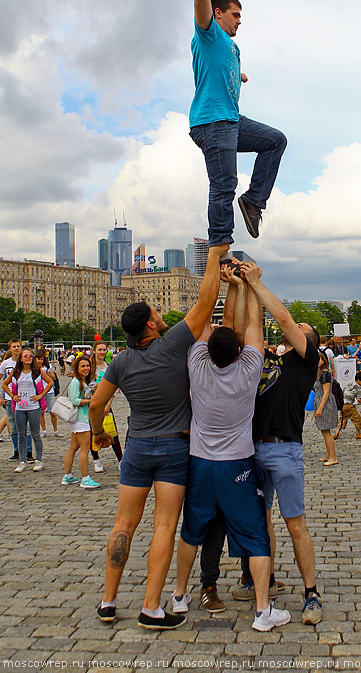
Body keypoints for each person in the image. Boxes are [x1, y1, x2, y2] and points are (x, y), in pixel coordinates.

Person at [89, 242, 229, 631]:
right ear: (150, 325)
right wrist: (216, 253)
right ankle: (151, 607)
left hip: (136, 448)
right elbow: (205, 302)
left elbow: (96, 405)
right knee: (164, 525)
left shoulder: (120, 361)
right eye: (155, 312)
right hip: (173, 446)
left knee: (123, 525)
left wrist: (99, 434)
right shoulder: (172, 345)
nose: (160, 313)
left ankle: (108, 601)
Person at [173, 263, 291, 632]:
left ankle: (179, 596)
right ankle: (261, 611)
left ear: (207, 348)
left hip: (200, 462)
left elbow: (205, 319)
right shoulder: (248, 369)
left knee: (191, 532)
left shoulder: (196, 363)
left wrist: (224, 287)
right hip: (237, 464)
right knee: (256, 537)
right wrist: (250, 285)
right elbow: (253, 327)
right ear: (239, 350)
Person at [181, 0, 287, 245]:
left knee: (275, 141)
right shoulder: (208, 32)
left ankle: (254, 201)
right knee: (224, 184)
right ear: (218, 14)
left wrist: (238, 74)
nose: (239, 21)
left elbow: (217, 69)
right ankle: (220, 245)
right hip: (212, 122)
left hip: (231, 120)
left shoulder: (231, 48)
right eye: (235, 15)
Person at [231, 263, 323, 624]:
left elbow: (283, 319)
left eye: (304, 329)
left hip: (285, 448)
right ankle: (264, 580)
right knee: (261, 521)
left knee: (294, 523)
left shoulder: (306, 360)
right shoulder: (268, 357)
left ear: (309, 341)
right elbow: (243, 330)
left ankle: (311, 593)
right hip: (253, 447)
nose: (295, 327)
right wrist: (242, 287)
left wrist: (257, 282)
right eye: (298, 326)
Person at [2, 347, 52, 472]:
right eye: (26, 356)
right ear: (21, 359)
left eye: (30, 356)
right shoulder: (16, 372)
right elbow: (4, 384)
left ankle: (39, 460)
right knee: (21, 435)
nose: (28, 358)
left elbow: (50, 382)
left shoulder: (38, 371)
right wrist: (12, 395)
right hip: (20, 407)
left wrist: (41, 395)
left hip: (33, 407)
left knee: (35, 434)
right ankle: (22, 460)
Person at [62, 355, 99, 489]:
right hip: (80, 419)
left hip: (80, 419)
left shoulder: (83, 381)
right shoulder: (76, 382)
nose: (86, 368)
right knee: (85, 448)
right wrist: (91, 401)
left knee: (74, 447)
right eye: (82, 366)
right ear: (77, 368)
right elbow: (75, 401)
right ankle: (85, 478)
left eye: (87, 366)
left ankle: (68, 475)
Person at [89, 341, 122, 473]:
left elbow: (112, 389)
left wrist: (107, 406)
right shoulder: (90, 368)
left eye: (104, 350)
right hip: (91, 404)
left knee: (112, 432)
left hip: (106, 404)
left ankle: (120, 459)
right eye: (100, 350)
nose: (102, 352)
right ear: (94, 351)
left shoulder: (109, 367)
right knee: (93, 432)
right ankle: (96, 459)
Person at [0, 340, 32, 461]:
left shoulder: (26, 361)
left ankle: (28, 451)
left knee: (26, 426)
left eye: (18, 346)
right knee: (13, 426)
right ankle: (16, 450)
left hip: (26, 398)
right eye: (14, 347)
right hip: (10, 399)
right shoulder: (6, 364)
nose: (16, 349)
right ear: (10, 349)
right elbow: (2, 381)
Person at [313, 352, 339, 465]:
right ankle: (328, 454)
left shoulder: (325, 374)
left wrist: (320, 408)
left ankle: (333, 457)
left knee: (326, 431)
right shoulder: (317, 374)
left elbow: (326, 392)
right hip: (319, 401)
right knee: (324, 430)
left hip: (325, 403)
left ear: (323, 361)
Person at [35, 349, 63, 439]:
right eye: (38, 359)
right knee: (41, 412)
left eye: (41, 359)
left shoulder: (47, 366)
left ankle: (56, 430)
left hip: (49, 391)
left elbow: (53, 377)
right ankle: (44, 430)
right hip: (38, 391)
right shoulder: (33, 368)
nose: (40, 361)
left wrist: (47, 373)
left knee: (52, 412)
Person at [334, 371, 361, 440]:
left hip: (342, 405)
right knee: (358, 419)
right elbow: (359, 399)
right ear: (358, 380)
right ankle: (358, 433)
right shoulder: (358, 388)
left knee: (342, 419)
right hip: (348, 406)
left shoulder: (349, 385)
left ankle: (337, 433)